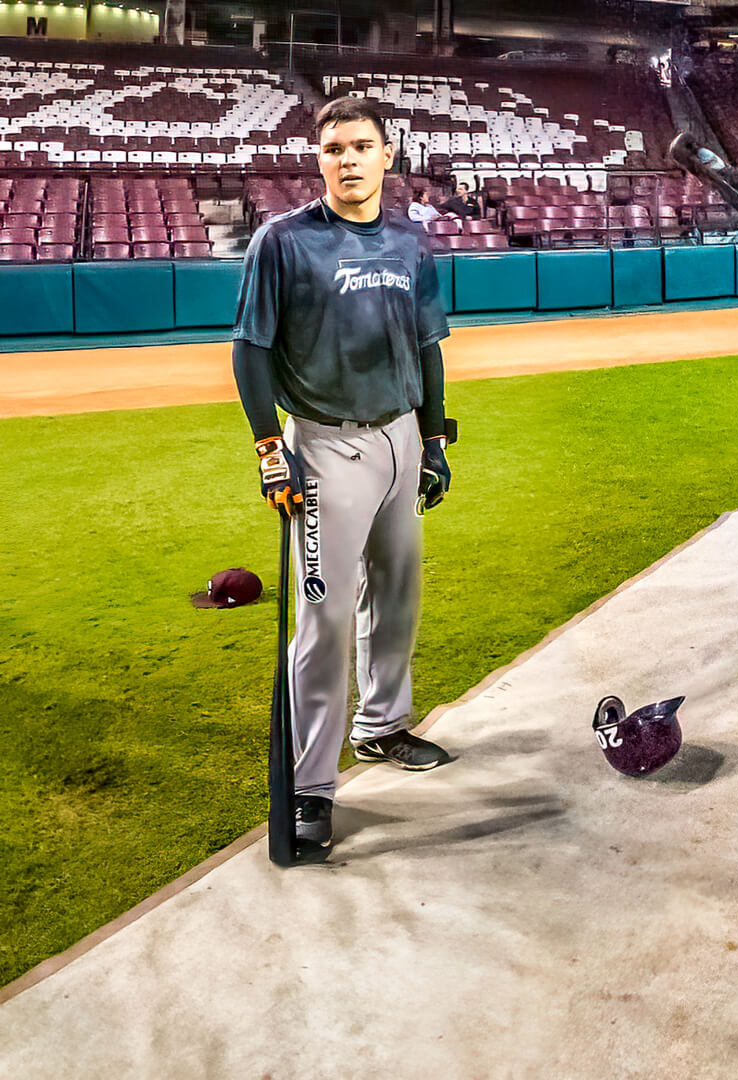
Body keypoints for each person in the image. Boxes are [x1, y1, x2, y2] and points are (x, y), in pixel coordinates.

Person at [232, 96, 456, 863]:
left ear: (389, 156)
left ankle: (383, 726)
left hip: (398, 437)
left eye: (363, 146)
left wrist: (433, 436)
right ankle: (312, 788)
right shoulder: (283, 242)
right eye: (334, 148)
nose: (349, 159)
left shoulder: (410, 241)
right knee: (323, 621)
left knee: (398, 593)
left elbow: (427, 345)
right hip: (325, 448)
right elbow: (251, 351)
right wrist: (271, 450)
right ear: (319, 159)